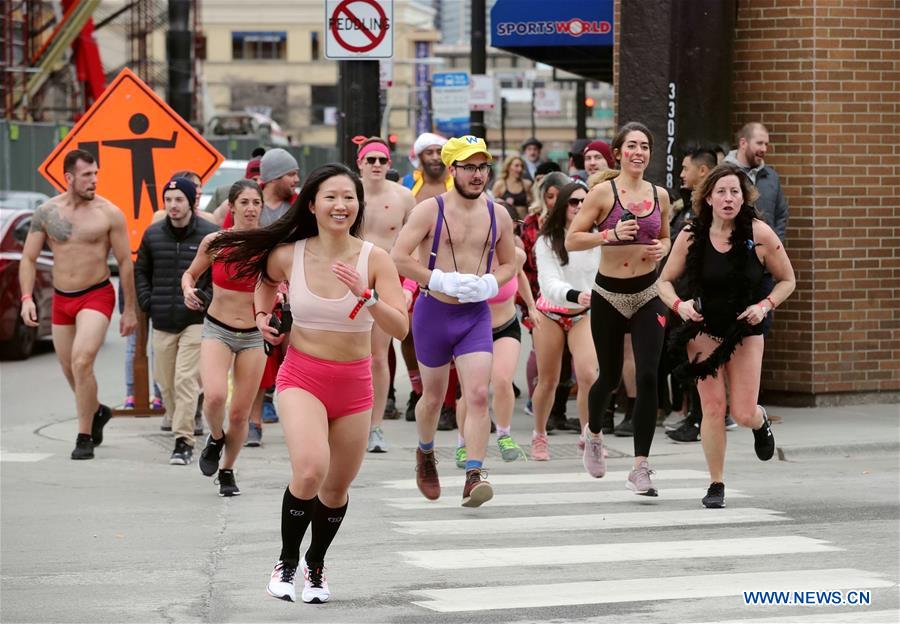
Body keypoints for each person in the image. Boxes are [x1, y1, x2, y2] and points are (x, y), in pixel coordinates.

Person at [206, 163, 408, 604]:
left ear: (359, 205)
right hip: (302, 376)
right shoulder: (289, 254)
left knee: (336, 489)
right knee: (311, 470)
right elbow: (263, 282)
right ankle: (286, 561)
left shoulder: (375, 260)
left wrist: (367, 295)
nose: (341, 205)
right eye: (331, 197)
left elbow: (400, 328)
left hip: (354, 386)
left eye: (349, 197)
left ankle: (316, 565)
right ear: (312, 204)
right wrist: (262, 318)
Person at [658, 163, 795, 508]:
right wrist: (680, 306)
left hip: (745, 329)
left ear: (744, 197)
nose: (728, 198)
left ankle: (759, 420)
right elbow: (663, 281)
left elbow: (787, 280)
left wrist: (764, 306)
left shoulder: (760, 233)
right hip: (702, 328)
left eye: (735, 191)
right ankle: (716, 482)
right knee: (713, 408)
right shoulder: (690, 235)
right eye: (721, 191)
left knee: (743, 412)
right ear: (707, 197)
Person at [392, 135, 516, 507]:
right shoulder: (430, 209)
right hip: (434, 312)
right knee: (431, 398)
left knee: (478, 394)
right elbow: (398, 256)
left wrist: (492, 282)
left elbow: (512, 263)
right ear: (453, 170)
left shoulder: (499, 213)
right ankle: (425, 454)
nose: (478, 175)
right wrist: (437, 279)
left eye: (483, 167)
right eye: (469, 167)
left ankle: (474, 474)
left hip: (474, 314)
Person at [566, 122, 671, 496]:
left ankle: (640, 467)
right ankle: (593, 434)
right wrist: (608, 235)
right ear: (618, 152)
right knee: (608, 378)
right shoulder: (600, 194)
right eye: (632, 146)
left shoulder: (660, 194)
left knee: (646, 377)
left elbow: (665, 237)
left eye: (645, 146)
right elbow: (572, 239)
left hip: (648, 292)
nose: (638, 152)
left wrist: (663, 250)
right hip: (609, 294)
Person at [19, 149, 137, 460]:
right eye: (87, 175)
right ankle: (96, 410)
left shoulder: (108, 213)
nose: (94, 180)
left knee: (81, 361)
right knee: (68, 367)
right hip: (61, 298)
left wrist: (129, 309)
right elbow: (28, 258)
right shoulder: (47, 212)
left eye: (96, 173)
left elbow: (125, 262)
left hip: (96, 294)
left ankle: (84, 435)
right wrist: (27, 298)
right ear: (69, 177)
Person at [182, 179, 268, 496]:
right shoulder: (215, 242)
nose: (250, 208)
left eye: (256, 203)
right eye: (244, 202)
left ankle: (227, 470)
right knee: (216, 396)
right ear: (231, 207)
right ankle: (216, 438)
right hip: (217, 327)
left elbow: (283, 280)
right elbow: (190, 274)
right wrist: (188, 289)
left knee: (240, 413)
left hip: (254, 335)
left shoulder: (270, 245)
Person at [135, 177, 219, 464]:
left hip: (195, 319)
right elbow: (141, 272)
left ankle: (183, 440)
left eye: (178, 199)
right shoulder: (152, 235)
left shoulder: (210, 235)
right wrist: (148, 301)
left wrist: (206, 299)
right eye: (168, 199)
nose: (173, 205)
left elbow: (219, 274)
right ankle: (178, 422)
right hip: (161, 319)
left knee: (185, 379)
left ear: (191, 202)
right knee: (165, 383)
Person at [531, 181, 601, 461]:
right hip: (550, 312)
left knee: (588, 376)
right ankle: (539, 435)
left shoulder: (597, 238)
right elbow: (548, 283)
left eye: (585, 201)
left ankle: (589, 437)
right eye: (573, 201)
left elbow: (606, 274)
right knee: (548, 380)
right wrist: (576, 295)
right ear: (562, 205)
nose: (580, 206)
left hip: (583, 315)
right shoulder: (546, 240)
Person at [355, 137, 416, 453]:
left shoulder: (405, 197)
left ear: (390, 164)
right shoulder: (347, 195)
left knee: (378, 356)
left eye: (382, 160)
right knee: (349, 355)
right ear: (360, 164)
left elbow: (417, 246)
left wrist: (408, 288)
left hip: (387, 283)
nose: (376, 165)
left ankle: (375, 426)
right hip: (349, 281)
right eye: (371, 160)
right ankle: (349, 420)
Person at [454, 247, 534, 467]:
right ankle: (462, 444)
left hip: (506, 326)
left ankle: (504, 435)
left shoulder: (515, 254)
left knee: (502, 379)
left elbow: (519, 274)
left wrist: (531, 306)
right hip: (472, 330)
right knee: (471, 392)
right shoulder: (471, 256)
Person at [665, 146, 718, 443]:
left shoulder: (708, 213)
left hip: (701, 298)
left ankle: (700, 419)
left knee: (700, 358)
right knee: (688, 357)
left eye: (686, 168)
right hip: (683, 297)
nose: (682, 174)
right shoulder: (687, 207)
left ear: (702, 171)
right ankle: (694, 416)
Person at [399, 132, 453, 423]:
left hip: (451, 267)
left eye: (438, 152)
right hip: (411, 266)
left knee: (449, 332)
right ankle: (417, 390)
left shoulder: (457, 185)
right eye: (428, 152)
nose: (434, 157)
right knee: (408, 331)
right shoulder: (407, 187)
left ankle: (448, 398)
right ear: (419, 157)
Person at [725, 122, 788, 241]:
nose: (764, 149)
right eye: (759, 143)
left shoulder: (772, 177)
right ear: (743, 143)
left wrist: (775, 243)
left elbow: (781, 215)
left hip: (766, 253)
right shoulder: (722, 174)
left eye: (766, 144)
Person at [215, 148, 299, 227]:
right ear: (274, 178)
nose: (297, 179)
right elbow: (226, 236)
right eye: (291, 175)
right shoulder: (241, 201)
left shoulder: (300, 204)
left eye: (296, 174)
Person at [491, 155, 533, 219]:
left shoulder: (527, 184)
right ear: (508, 167)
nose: (520, 169)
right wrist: (503, 203)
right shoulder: (500, 184)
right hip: (506, 222)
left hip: (523, 223)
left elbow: (532, 205)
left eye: (521, 166)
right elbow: (491, 204)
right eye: (516, 166)